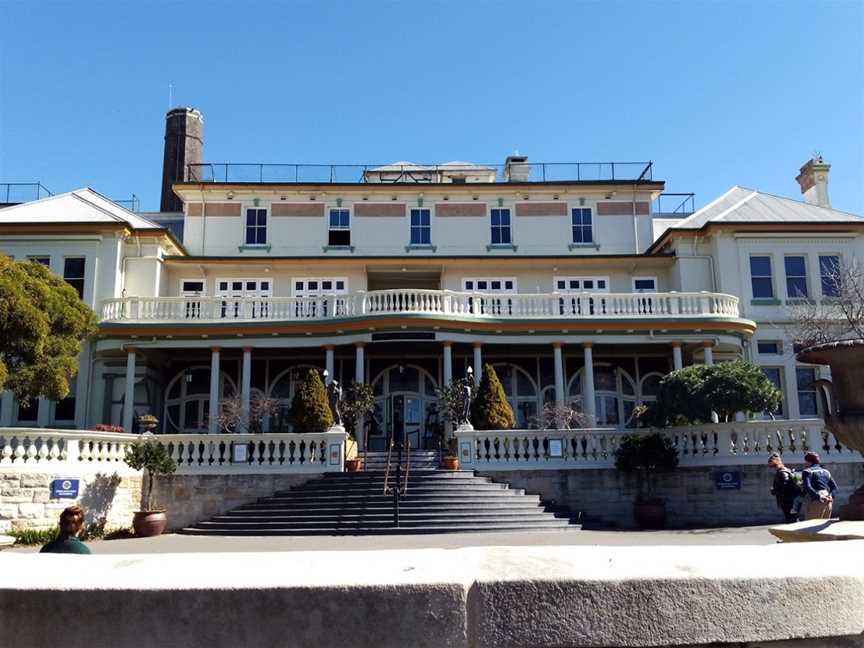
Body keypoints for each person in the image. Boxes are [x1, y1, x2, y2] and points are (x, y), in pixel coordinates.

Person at [801, 452, 839, 520]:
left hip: (815, 498)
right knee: (823, 526)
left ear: (809, 461)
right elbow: (834, 488)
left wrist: (818, 496)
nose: (805, 463)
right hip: (827, 498)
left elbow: (808, 487)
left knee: (811, 526)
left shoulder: (807, 471)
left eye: (806, 461)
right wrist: (830, 496)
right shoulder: (826, 471)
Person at [768, 453, 801, 523]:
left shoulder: (782, 471)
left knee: (791, 519)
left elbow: (785, 484)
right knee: (793, 518)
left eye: (770, 462)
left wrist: (774, 490)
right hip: (790, 499)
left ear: (775, 461)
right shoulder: (786, 470)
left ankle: (795, 533)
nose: (769, 465)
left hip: (787, 500)